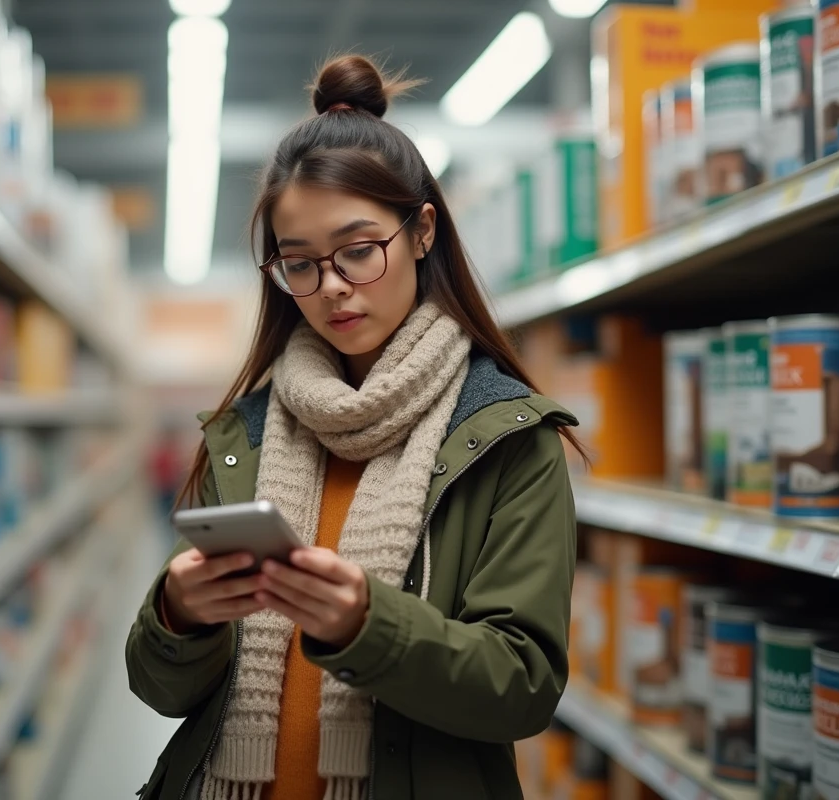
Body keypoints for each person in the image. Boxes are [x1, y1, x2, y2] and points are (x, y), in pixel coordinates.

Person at [127, 54, 581, 800]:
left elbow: (523, 686)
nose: (331, 286)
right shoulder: (242, 437)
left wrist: (372, 625)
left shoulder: (506, 439)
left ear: (422, 231)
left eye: (359, 251)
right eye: (299, 264)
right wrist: (178, 618)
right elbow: (160, 691)